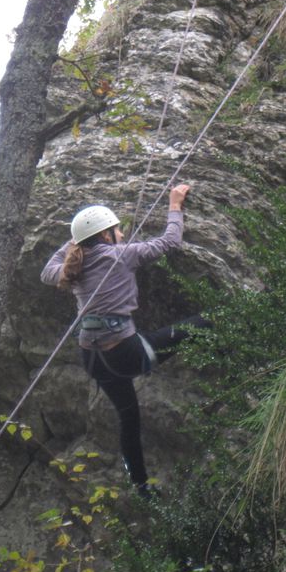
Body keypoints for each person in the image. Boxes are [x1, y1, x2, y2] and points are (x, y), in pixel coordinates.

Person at [41, 183, 208, 497]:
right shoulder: (122, 255)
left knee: (128, 416)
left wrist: (75, 241)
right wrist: (175, 203)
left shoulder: (68, 270)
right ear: (106, 236)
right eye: (117, 230)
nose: (122, 235)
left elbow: (45, 271)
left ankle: (142, 487)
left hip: (91, 358)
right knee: (203, 323)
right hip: (126, 353)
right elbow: (170, 240)